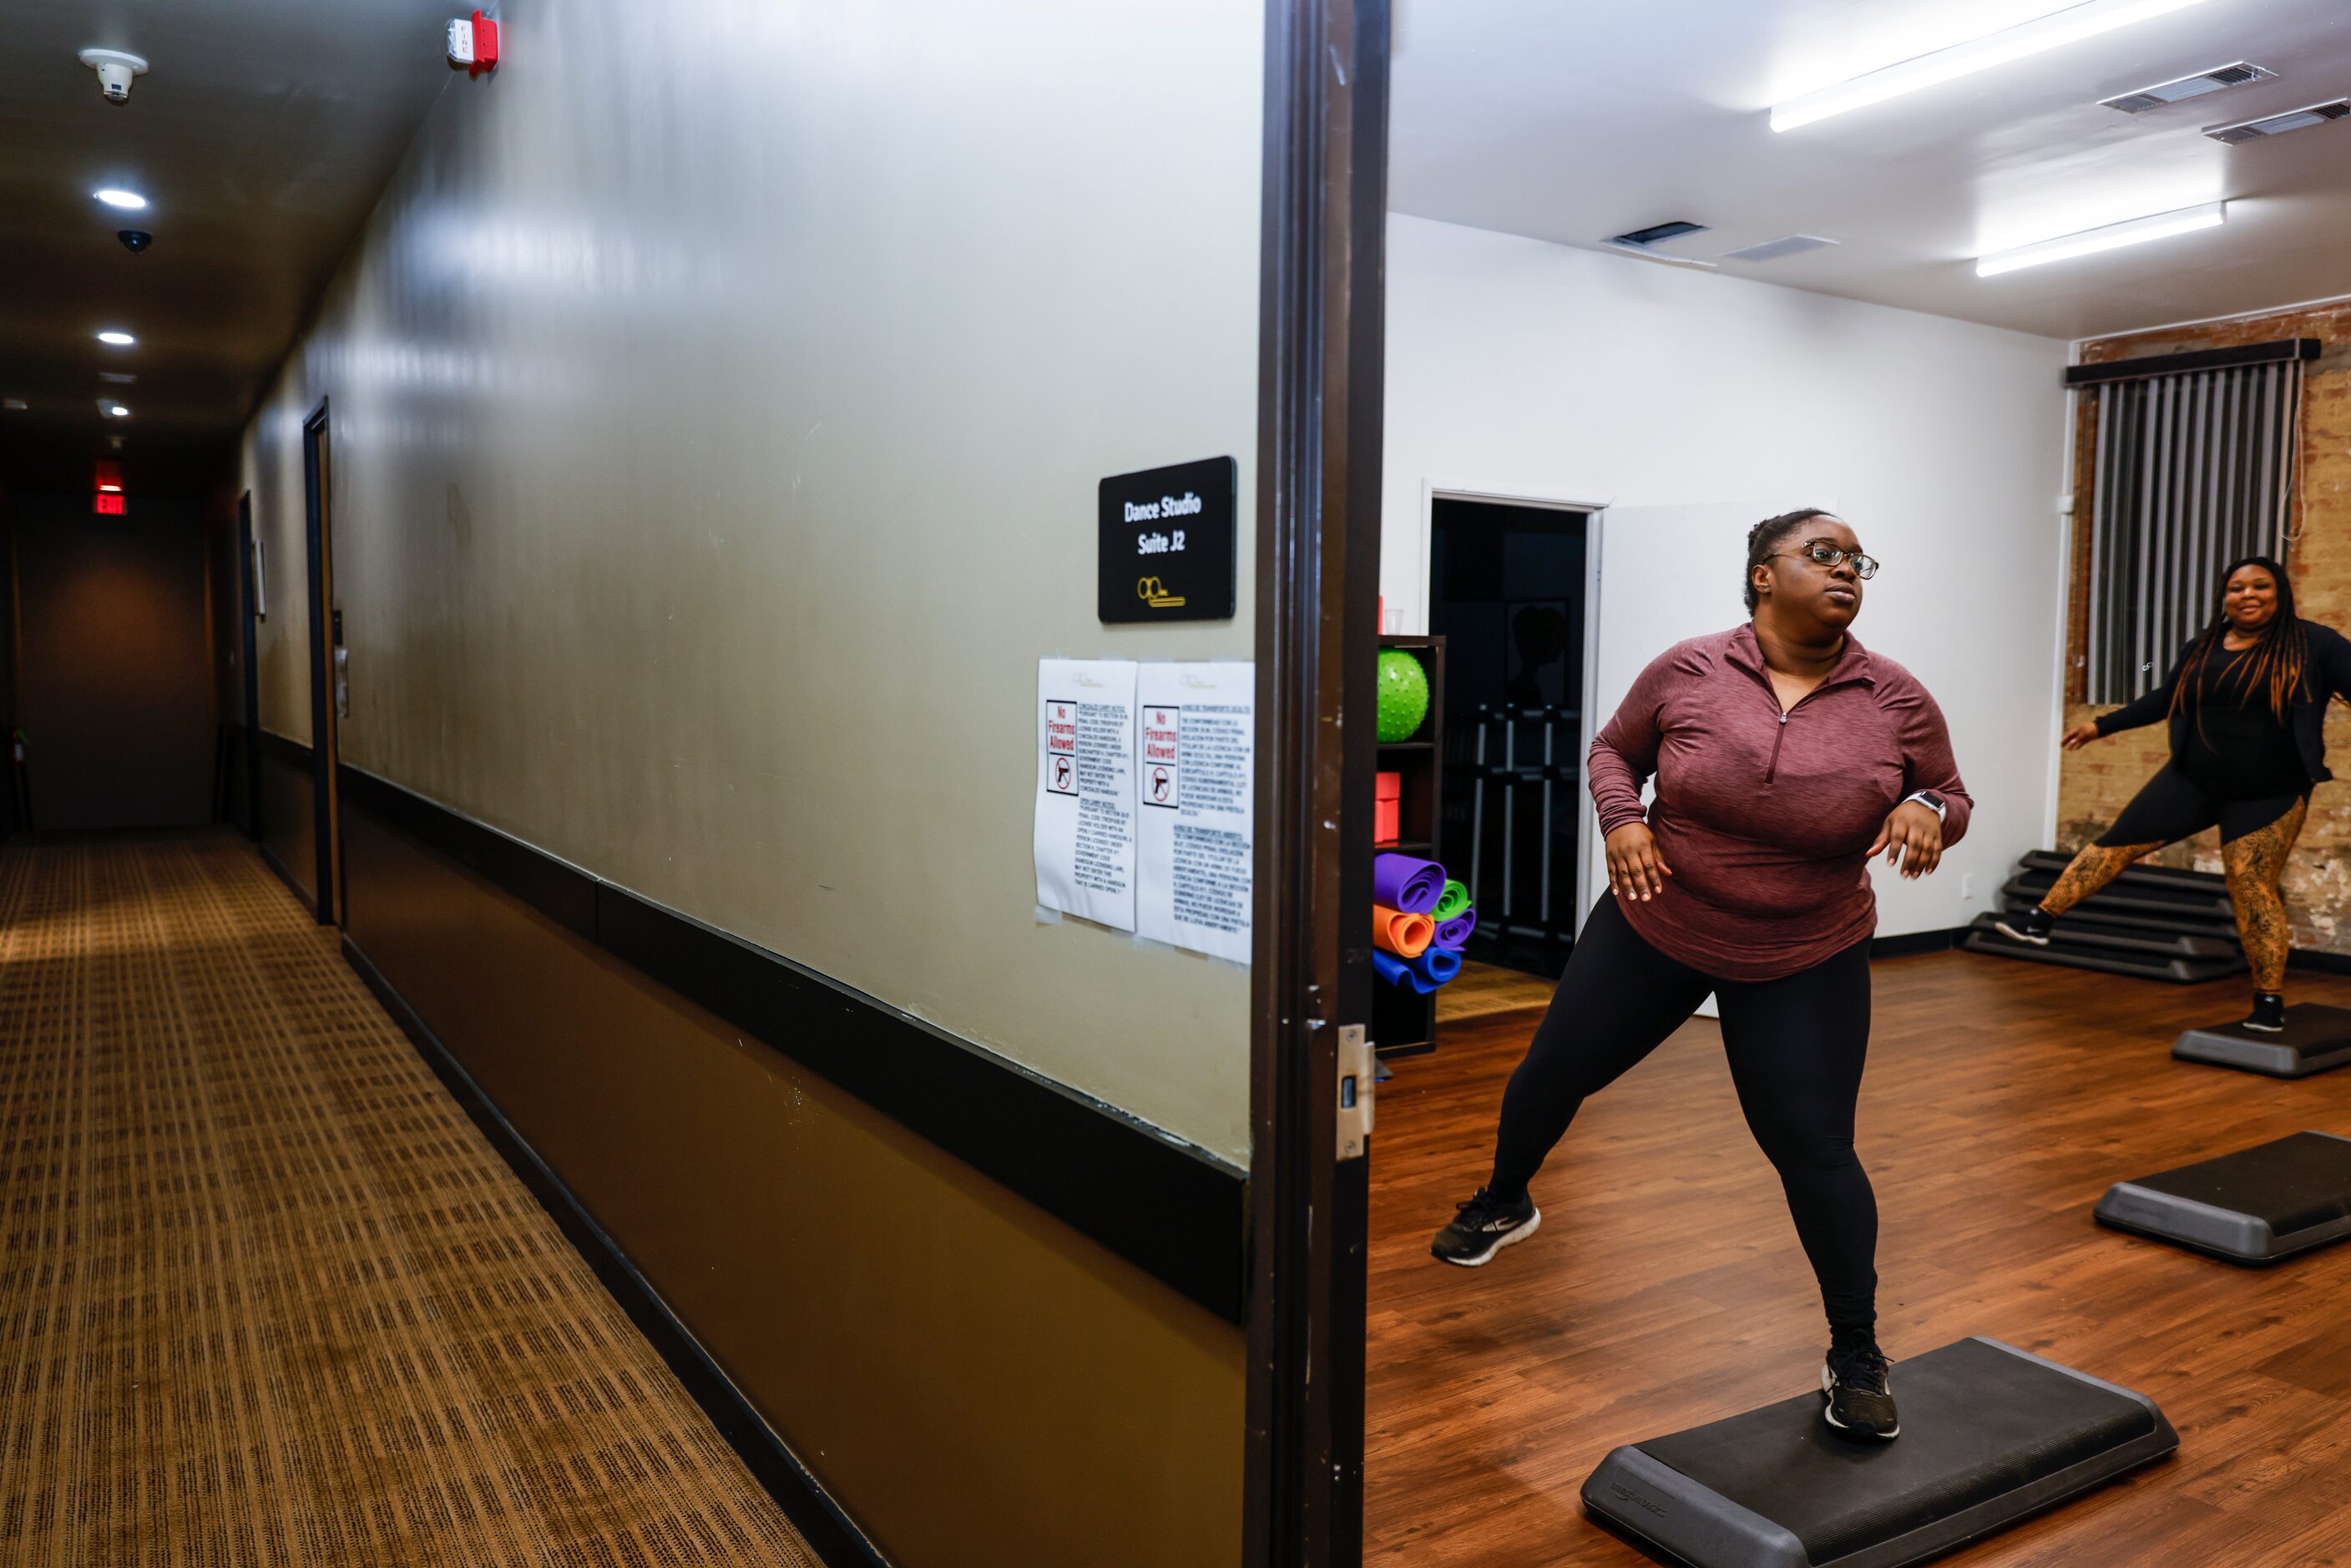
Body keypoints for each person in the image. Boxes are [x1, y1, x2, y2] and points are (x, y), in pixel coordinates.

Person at [1429, 508, 1970, 1443]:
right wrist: (1621, 820)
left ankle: (1854, 1350)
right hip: (1659, 919)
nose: (1847, 569)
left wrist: (1927, 806)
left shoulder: (1894, 696)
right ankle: (1504, 1198)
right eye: (1822, 554)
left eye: (1857, 560)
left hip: (1808, 947)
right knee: (1549, 1075)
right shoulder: (1686, 668)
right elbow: (1611, 751)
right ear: (1763, 574)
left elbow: (1949, 793)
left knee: (1814, 1150)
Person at [1996, 556, 2351, 1031]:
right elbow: (2165, 699)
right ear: (2224, 598)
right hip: (2192, 780)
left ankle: (2268, 1004)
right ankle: (2039, 919)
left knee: (2250, 887)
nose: (2247, 595)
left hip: (2269, 794)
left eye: (2260, 586)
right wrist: (2100, 725)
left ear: (2280, 593)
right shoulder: (2202, 647)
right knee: (2115, 843)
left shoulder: (2316, 644)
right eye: (2236, 588)